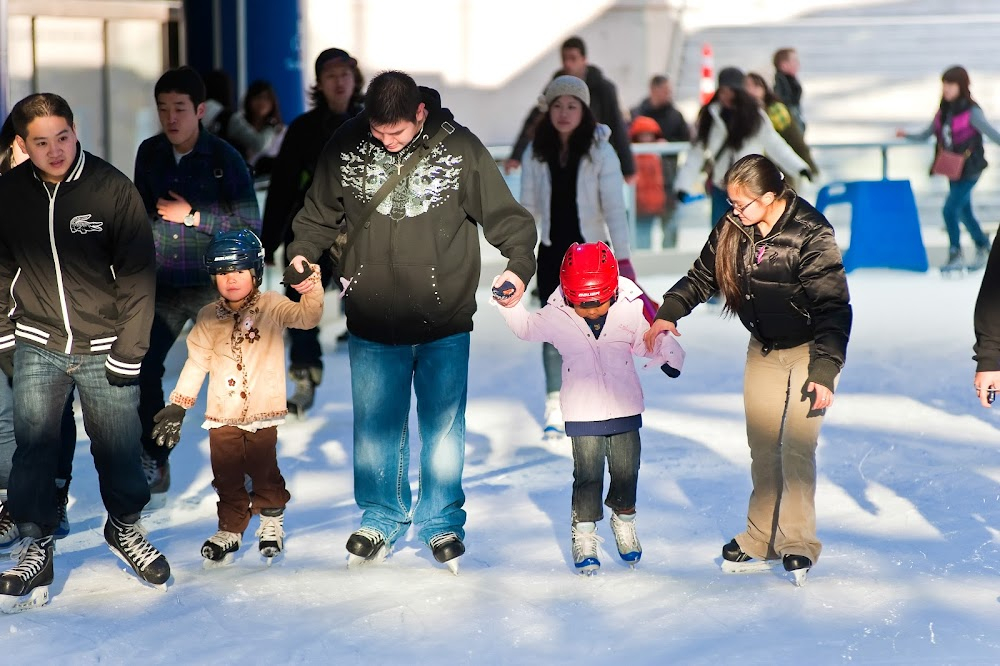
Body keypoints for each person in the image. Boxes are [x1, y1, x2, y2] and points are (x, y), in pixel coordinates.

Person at [285, 70, 537, 572]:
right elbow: (315, 217)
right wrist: (302, 256)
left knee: (444, 427)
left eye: (395, 133)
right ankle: (381, 513)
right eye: (378, 132)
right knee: (376, 427)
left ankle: (441, 520)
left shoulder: (459, 148)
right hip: (372, 314)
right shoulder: (347, 144)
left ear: (419, 113)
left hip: (443, 315)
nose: (385, 141)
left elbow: (506, 216)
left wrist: (518, 265)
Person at [644, 154, 851, 586]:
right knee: (762, 445)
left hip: (809, 351)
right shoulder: (733, 227)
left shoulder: (812, 233)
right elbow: (703, 275)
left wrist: (825, 370)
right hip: (763, 347)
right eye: (731, 203)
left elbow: (833, 307)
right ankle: (760, 538)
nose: (734, 212)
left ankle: (796, 542)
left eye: (742, 204)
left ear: (771, 197)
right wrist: (670, 312)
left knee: (796, 446)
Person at [0, 93, 171, 612]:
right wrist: (6, 337)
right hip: (37, 340)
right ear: (22, 145)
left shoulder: (111, 189)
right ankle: (39, 545)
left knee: (118, 451)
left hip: (105, 346)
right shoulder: (8, 193)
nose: (55, 150)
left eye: (63, 138)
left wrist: (130, 349)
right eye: (41, 142)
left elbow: (140, 277)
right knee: (33, 451)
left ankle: (124, 528)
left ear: (77, 132)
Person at [493, 241, 684, 574]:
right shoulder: (556, 315)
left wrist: (666, 350)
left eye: (599, 304)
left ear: (612, 290)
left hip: (625, 407)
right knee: (588, 477)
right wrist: (507, 303)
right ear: (568, 296)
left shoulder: (628, 309)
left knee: (627, 471)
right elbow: (525, 328)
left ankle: (624, 520)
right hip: (582, 413)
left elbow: (645, 340)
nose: (593, 311)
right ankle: (584, 532)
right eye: (584, 306)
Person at [150, 230, 323, 564]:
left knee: (262, 468)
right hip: (222, 412)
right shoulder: (206, 317)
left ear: (255, 273)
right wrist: (179, 404)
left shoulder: (272, 305)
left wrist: (310, 288)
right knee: (225, 473)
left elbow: (307, 317)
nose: (231, 280)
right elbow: (196, 363)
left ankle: (271, 517)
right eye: (223, 273)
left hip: (262, 410)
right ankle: (230, 527)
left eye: (239, 271)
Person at [133, 66, 261, 508]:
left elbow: (250, 227)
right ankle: (155, 456)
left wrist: (194, 217)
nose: (171, 118)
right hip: (163, 284)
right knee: (142, 368)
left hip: (214, 288)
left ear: (200, 111)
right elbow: (139, 217)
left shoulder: (225, 158)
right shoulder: (149, 154)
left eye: (180, 109)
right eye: (163, 109)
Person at [520, 75, 636, 439]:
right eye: (557, 105)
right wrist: (519, 257)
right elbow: (527, 209)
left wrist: (625, 258)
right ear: (548, 110)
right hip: (553, 252)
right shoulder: (536, 150)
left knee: (597, 328)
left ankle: (599, 396)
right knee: (555, 330)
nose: (564, 112)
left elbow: (615, 209)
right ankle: (555, 402)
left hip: (592, 257)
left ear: (584, 110)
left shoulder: (600, 149)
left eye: (572, 106)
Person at [261, 48, 364, 417]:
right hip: (310, 231)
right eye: (331, 75)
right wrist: (267, 241)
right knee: (299, 298)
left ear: (355, 79)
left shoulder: (373, 122)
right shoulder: (303, 129)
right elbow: (282, 189)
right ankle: (304, 376)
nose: (339, 81)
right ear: (319, 83)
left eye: (345, 74)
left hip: (360, 236)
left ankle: (376, 381)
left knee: (370, 302)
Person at [0, 105, 79, 551]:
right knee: (7, 415)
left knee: (52, 413)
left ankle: (55, 493)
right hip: (4, 319)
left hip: (48, 322)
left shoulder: (68, 184)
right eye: (36, 140)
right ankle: (14, 504)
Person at [675, 66, 811, 227]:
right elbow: (696, 153)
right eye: (723, 91)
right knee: (721, 237)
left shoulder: (754, 116)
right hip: (722, 187)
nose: (726, 96)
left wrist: (799, 167)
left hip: (750, 188)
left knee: (750, 235)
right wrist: (683, 185)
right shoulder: (710, 116)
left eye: (731, 91)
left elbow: (775, 144)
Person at [896, 65, 1000, 272]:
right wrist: (906, 135)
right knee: (964, 211)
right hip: (953, 169)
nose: (947, 89)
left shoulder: (972, 112)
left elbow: (991, 133)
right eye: (945, 85)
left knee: (950, 210)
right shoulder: (943, 111)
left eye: (951, 85)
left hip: (971, 168)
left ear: (961, 86)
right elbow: (927, 134)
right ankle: (982, 245)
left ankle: (956, 252)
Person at [505, 36, 635, 181]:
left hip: (595, 162)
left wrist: (628, 168)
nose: (568, 63)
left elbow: (617, 125)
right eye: (564, 58)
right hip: (562, 161)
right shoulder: (554, 88)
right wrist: (516, 156)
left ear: (584, 59)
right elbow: (536, 120)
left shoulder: (603, 89)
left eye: (573, 58)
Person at [630, 75, 690, 247]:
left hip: (668, 179)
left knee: (670, 226)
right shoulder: (638, 113)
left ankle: (669, 259)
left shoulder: (675, 115)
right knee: (642, 230)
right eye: (664, 90)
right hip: (642, 182)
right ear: (653, 90)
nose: (668, 94)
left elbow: (685, 142)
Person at [744, 72, 819, 190]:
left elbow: (793, 140)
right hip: (751, 174)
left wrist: (806, 166)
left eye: (756, 86)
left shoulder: (775, 111)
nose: (751, 90)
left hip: (779, 171)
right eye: (747, 85)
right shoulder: (739, 113)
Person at [227, 79, 285, 176]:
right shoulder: (239, 125)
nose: (261, 102)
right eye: (257, 97)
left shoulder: (281, 130)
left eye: (266, 98)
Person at [629, 115, 670, 249]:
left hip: (656, 201)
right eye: (643, 135)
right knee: (643, 237)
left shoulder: (658, 153)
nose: (646, 138)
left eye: (649, 135)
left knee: (664, 234)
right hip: (640, 204)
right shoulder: (635, 154)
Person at [773, 48, 805, 132]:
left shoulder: (790, 80)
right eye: (794, 60)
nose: (798, 64)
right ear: (783, 64)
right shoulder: (779, 81)